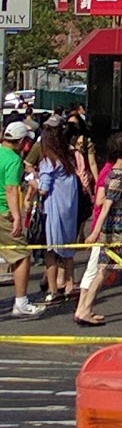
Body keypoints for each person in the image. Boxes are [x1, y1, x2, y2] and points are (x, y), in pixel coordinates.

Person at [74, 131, 122, 326]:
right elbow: (106, 204)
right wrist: (95, 233)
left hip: (111, 233)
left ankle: (85, 310)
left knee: (102, 271)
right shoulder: (118, 176)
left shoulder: (116, 174)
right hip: (116, 235)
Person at [0, 120, 42, 318]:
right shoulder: (13, 160)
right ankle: (21, 302)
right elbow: (10, 190)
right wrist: (17, 217)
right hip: (3, 213)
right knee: (22, 255)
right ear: (19, 141)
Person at [37, 122, 79, 303]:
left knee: (51, 252)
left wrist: (33, 182)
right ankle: (70, 284)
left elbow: (43, 189)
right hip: (69, 210)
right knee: (68, 250)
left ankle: (53, 289)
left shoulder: (49, 162)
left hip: (53, 212)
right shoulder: (68, 161)